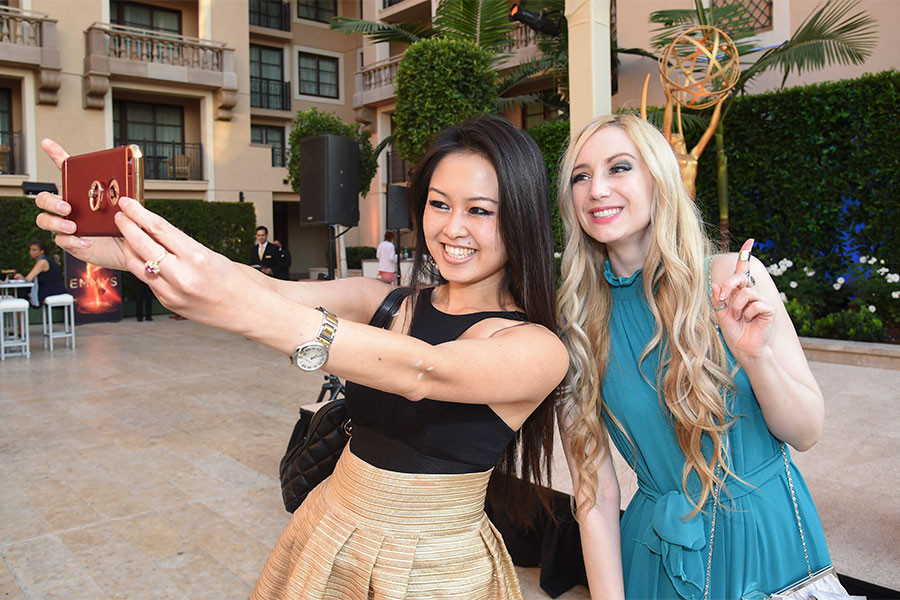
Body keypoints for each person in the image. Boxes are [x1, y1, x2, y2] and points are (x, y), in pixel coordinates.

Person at [33, 116, 568, 599]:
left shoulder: (536, 348)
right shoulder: (379, 300)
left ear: (520, 219)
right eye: (438, 203)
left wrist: (252, 315)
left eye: (480, 211)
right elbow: (264, 288)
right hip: (328, 530)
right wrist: (131, 252)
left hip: (435, 567)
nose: (452, 228)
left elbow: (422, 369)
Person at [555, 114, 836, 599]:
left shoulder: (733, 280)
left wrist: (755, 358)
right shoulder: (575, 326)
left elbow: (807, 432)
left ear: (658, 179)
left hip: (773, 545)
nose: (596, 188)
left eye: (619, 167)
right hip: (657, 559)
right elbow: (594, 496)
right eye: (580, 176)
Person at [13, 240, 66, 306]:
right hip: (53, 290)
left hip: (51, 291)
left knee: (22, 295)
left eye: (34, 250)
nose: (31, 252)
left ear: (42, 251)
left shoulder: (42, 262)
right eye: (30, 250)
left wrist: (21, 277)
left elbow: (29, 279)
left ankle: (23, 314)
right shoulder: (44, 260)